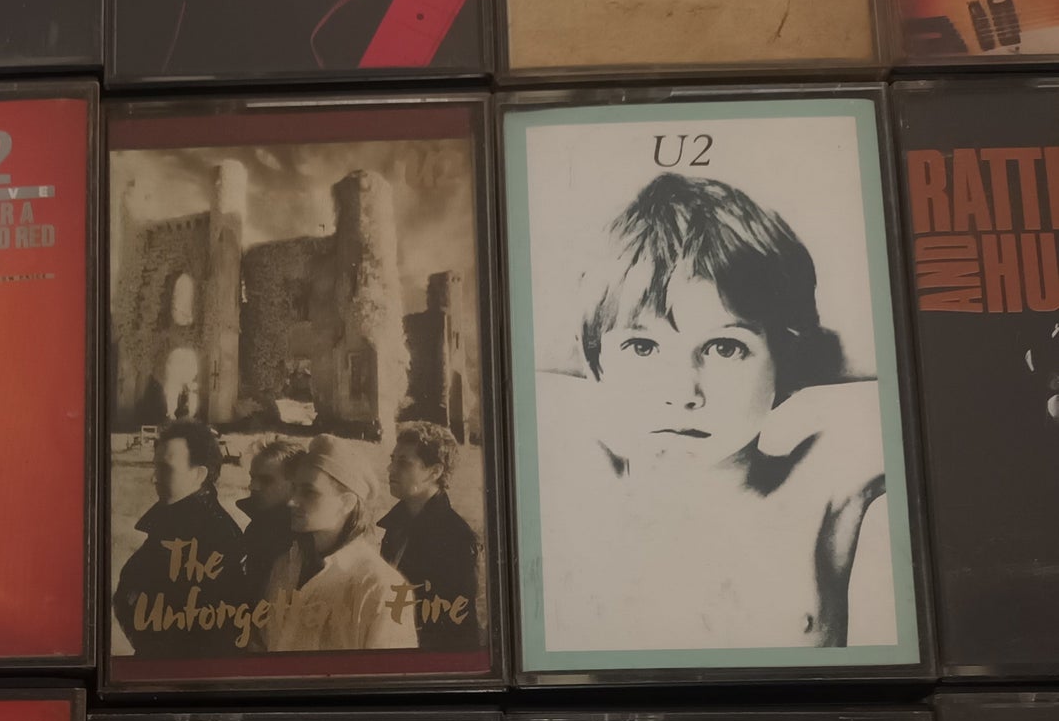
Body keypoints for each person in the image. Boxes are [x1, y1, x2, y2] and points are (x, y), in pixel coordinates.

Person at [537, 172, 891, 654]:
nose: (683, 393)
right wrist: (597, 319)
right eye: (642, 347)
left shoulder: (821, 482)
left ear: (786, 357)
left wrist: (802, 344)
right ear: (594, 358)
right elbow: (484, 337)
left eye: (725, 347)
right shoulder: (583, 478)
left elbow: (929, 347)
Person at [263, 435, 418, 653]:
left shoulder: (381, 587)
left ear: (346, 503)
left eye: (309, 492)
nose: (292, 501)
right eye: (295, 488)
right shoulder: (285, 567)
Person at [113, 421, 245, 659]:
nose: (154, 478)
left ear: (199, 475)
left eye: (165, 468)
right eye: (155, 467)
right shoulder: (173, 521)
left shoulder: (216, 536)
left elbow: (203, 632)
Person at [378, 422, 480, 652]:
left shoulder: (456, 538)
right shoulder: (395, 525)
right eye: (393, 460)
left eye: (403, 463)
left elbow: (459, 628)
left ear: (435, 472)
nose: (390, 469)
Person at [237, 438, 301, 607]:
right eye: (252, 478)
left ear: (295, 485)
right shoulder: (258, 525)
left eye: (266, 480)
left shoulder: (300, 538)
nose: (253, 487)